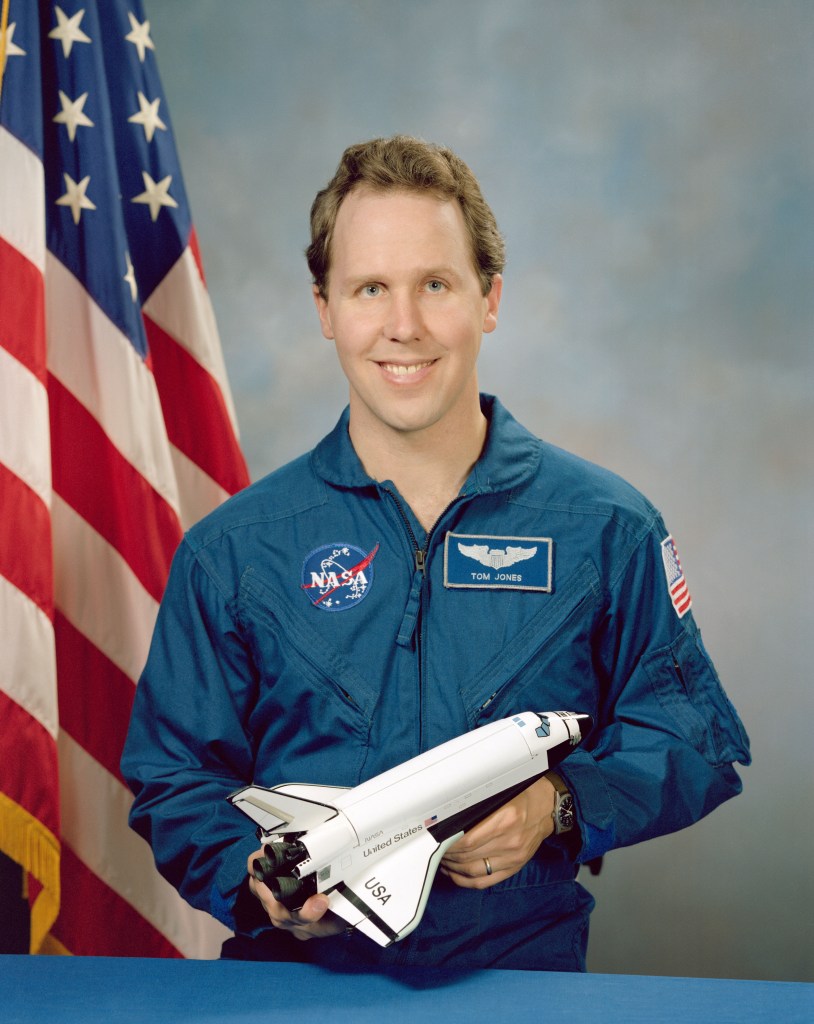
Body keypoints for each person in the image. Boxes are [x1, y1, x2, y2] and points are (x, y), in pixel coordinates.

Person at [121, 135, 750, 971]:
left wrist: (560, 804)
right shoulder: (232, 552)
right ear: (325, 308)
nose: (404, 326)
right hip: (295, 993)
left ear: (490, 299)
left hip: (520, 987)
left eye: (436, 285)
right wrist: (259, 884)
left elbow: (695, 734)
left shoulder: (606, 528)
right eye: (370, 287)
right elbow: (173, 775)